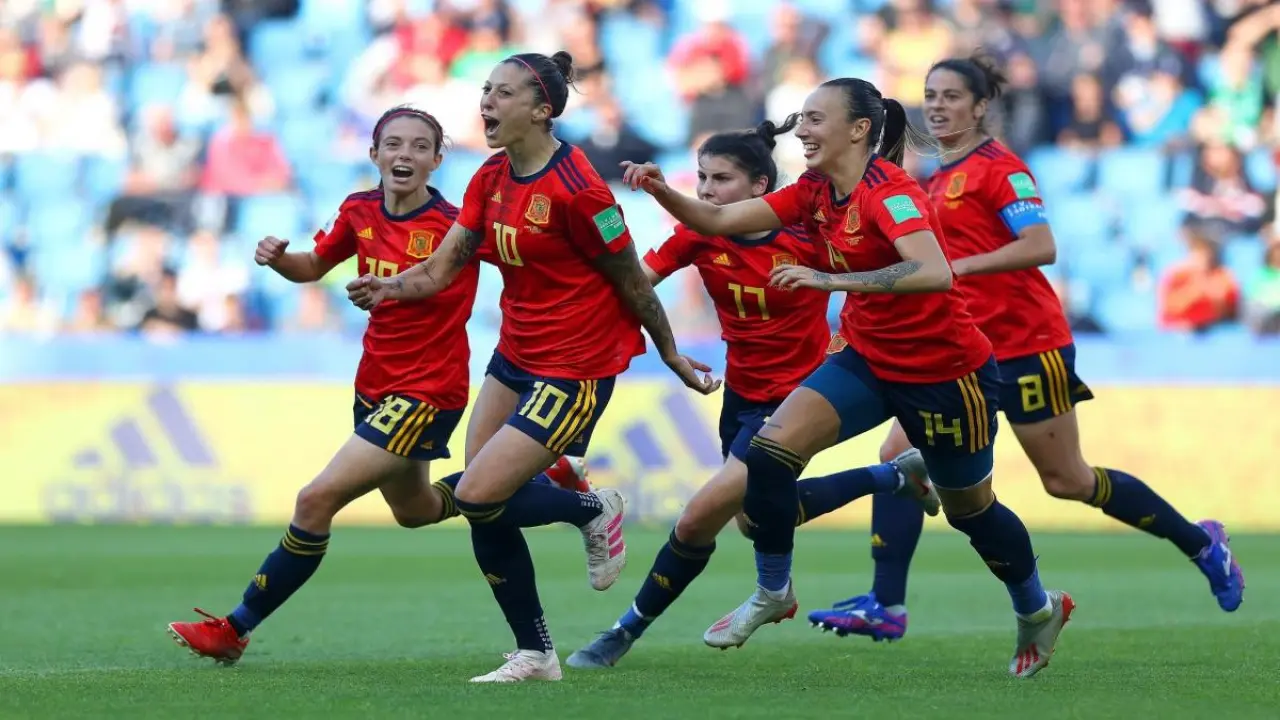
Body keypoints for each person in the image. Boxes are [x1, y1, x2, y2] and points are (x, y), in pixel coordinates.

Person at [619, 76, 1072, 678]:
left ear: (858, 129)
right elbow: (716, 218)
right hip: (866, 359)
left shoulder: (891, 192)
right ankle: (774, 590)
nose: (802, 130)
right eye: (801, 118)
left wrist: (831, 281)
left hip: (943, 371)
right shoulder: (814, 189)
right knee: (769, 453)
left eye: (814, 118)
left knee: (971, 512)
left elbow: (934, 272)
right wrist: (659, 190)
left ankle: (1037, 608)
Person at [807, 54, 1245, 642]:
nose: (937, 106)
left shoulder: (1002, 169)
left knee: (1066, 480)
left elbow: (1041, 245)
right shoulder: (927, 179)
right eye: (931, 95)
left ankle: (1201, 542)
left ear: (981, 106)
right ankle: (886, 603)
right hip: (957, 357)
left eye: (952, 96)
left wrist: (959, 266)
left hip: (1025, 344)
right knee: (900, 457)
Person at [165, 106, 598, 665]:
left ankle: (236, 627)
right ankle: (545, 482)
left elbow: (531, 259)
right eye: (393, 144)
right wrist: (280, 261)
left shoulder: (457, 225)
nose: (404, 154)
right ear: (374, 154)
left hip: (427, 391)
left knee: (315, 499)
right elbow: (313, 265)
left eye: (419, 146)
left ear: (437, 160)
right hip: (374, 385)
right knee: (416, 510)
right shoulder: (359, 210)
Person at [346, 53, 719, 683]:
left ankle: (591, 508)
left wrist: (671, 352)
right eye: (485, 90)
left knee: (475, 492)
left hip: (578, 363)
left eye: (503, 94)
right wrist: (390, 288)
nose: (486, 103)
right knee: (482, 501)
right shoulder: (490, 175)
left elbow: (633, 280)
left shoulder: (581, 191)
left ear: (542, 110)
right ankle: (537, 654)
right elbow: (440, 268)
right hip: (515, 354)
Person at [565, 122, 942, 670]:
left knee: (697, 518)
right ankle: (893, 477)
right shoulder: (697, 235)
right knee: (754, 520)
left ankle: (621, 632)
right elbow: (636, 283)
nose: (707, 190)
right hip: (740, 395)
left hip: (796, 399)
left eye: (721, 179)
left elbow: (877, 277)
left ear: (760, 186)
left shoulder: (806, 234)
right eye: (702, 178)